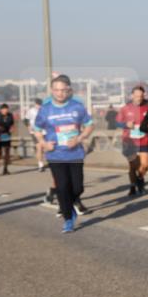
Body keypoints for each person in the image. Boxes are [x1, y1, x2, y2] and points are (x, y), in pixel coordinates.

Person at [32, 75, 94, 233]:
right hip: (55, 155)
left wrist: (79, 138)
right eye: (57, 90)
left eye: (63, 90)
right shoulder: (45, 110)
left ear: (69, 90)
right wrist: (45, 144)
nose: (60, 93)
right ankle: (68, 218)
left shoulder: (77, 107)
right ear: (52, 91)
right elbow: (37, 130)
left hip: (75, 153)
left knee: (78, 187)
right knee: (62, 186)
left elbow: (89, 125)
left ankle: (71, 203)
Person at [116, 86, 148, 196]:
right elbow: (117, 123)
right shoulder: (125, 108)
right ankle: (132, 186)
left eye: (141, 96)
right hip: (129, 141)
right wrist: (125, 124)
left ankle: (140, 179)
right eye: (136, 96)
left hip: (144, 139)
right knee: (133, 166)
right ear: (132, 96)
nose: (138, 98)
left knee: (144, 165)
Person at [0, 104, 16, 175]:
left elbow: (12, 124)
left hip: (6, 136)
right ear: (1, 110)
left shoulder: (10, 115)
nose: (6, 111)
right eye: (4, 109)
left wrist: (12, 128)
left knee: (7, 153)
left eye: (7, 109)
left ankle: (5, 169)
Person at [24, 98, 46, 171]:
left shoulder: (44, 110)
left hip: (44, 131)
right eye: (37, 104)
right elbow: (26, 120)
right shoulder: (31, 111)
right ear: (35, 104)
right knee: (39, 147)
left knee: (43, 148)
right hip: (35, 132)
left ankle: (46, 162)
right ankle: (41, 165)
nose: (39, 106)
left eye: (40, 104)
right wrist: (29, 127)